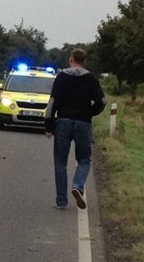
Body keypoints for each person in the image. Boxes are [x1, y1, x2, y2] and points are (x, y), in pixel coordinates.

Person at [45, 48, 106, 210]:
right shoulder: (90, 78)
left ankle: (61, 201)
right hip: (83, 123)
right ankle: (77, 185)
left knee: (60, 162)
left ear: (71, 59)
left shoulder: (62, 77)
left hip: (63, 121)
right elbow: (103, 102)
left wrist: (49, 125)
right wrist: (90, 113)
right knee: (84, 159)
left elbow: (52, 103)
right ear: (84, 60)